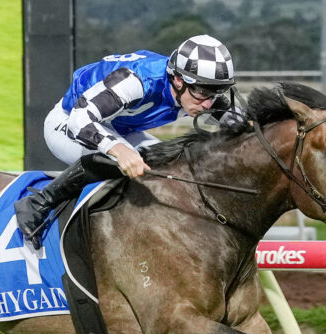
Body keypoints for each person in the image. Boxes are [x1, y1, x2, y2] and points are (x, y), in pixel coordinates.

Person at [14, 34, 238, 249]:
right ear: (178, 80)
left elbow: (240, 120)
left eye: (215, 93)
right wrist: (118, 149)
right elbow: (80, 120)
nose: (208, 104)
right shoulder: (138, 81)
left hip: (118, 126)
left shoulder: (195, 90)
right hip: (68, 122)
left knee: (170, 162)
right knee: (115, 159)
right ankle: (39, 202)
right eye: (202, 92)